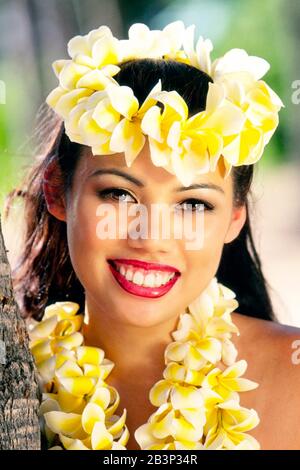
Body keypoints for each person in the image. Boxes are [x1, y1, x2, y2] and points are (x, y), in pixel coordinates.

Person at [4, 22, 300, 450]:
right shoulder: (12, 376)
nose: (152, 236)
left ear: (234, 219)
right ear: (56, 192)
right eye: (119, 194)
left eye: (193, 204)